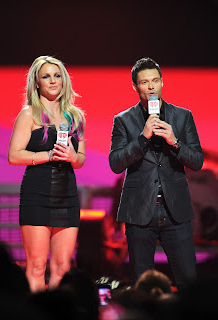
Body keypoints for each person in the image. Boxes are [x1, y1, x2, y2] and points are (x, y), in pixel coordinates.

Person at [109, 57, 203, 290]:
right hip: (139, 212)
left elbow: (197, 161)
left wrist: (175, 142)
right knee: (143, 286)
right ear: (135, 86)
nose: (151, 87)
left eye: (155, 81)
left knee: (189, 283)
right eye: (144, 82)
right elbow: (116, 163)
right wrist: (142, 138)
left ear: (162, 82)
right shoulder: (123, 120)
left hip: (175, 211)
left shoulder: (183, 116)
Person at [8, 56, 85, 292]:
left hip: (67, 195)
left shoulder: (76, 116)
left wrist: (73, 157)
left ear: (64, 80)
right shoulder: (29, 114)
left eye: (57, 75)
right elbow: (14, 155)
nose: (53, 81)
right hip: (37, 194)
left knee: (62, 267)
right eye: (46, 76)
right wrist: (48, 155)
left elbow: (80, 159)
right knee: (37, 266)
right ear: (37, 83)